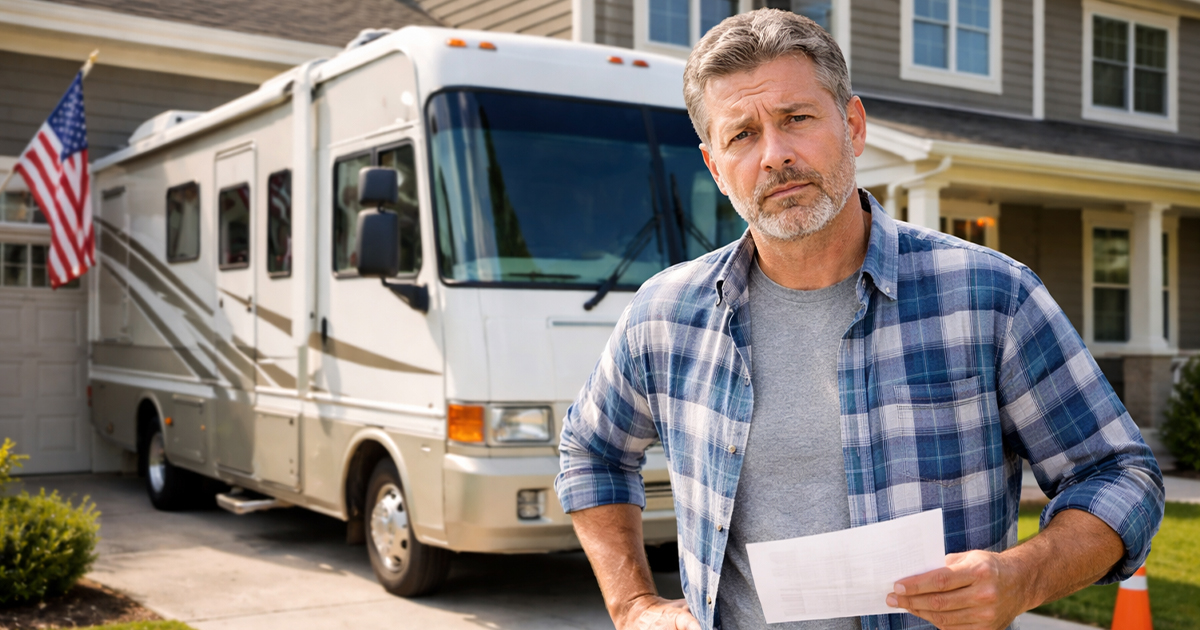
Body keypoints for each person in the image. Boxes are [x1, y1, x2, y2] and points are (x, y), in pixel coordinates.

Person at [554, 9, 1165, 630]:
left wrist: (1020, 577)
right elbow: (591, 451)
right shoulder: (665, 314)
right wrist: (632, 606)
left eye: (797, 119)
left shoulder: (991, 296)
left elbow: (1119, 474)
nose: (775, 155)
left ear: (852, 124)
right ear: (714, 166)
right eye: (742, 135)